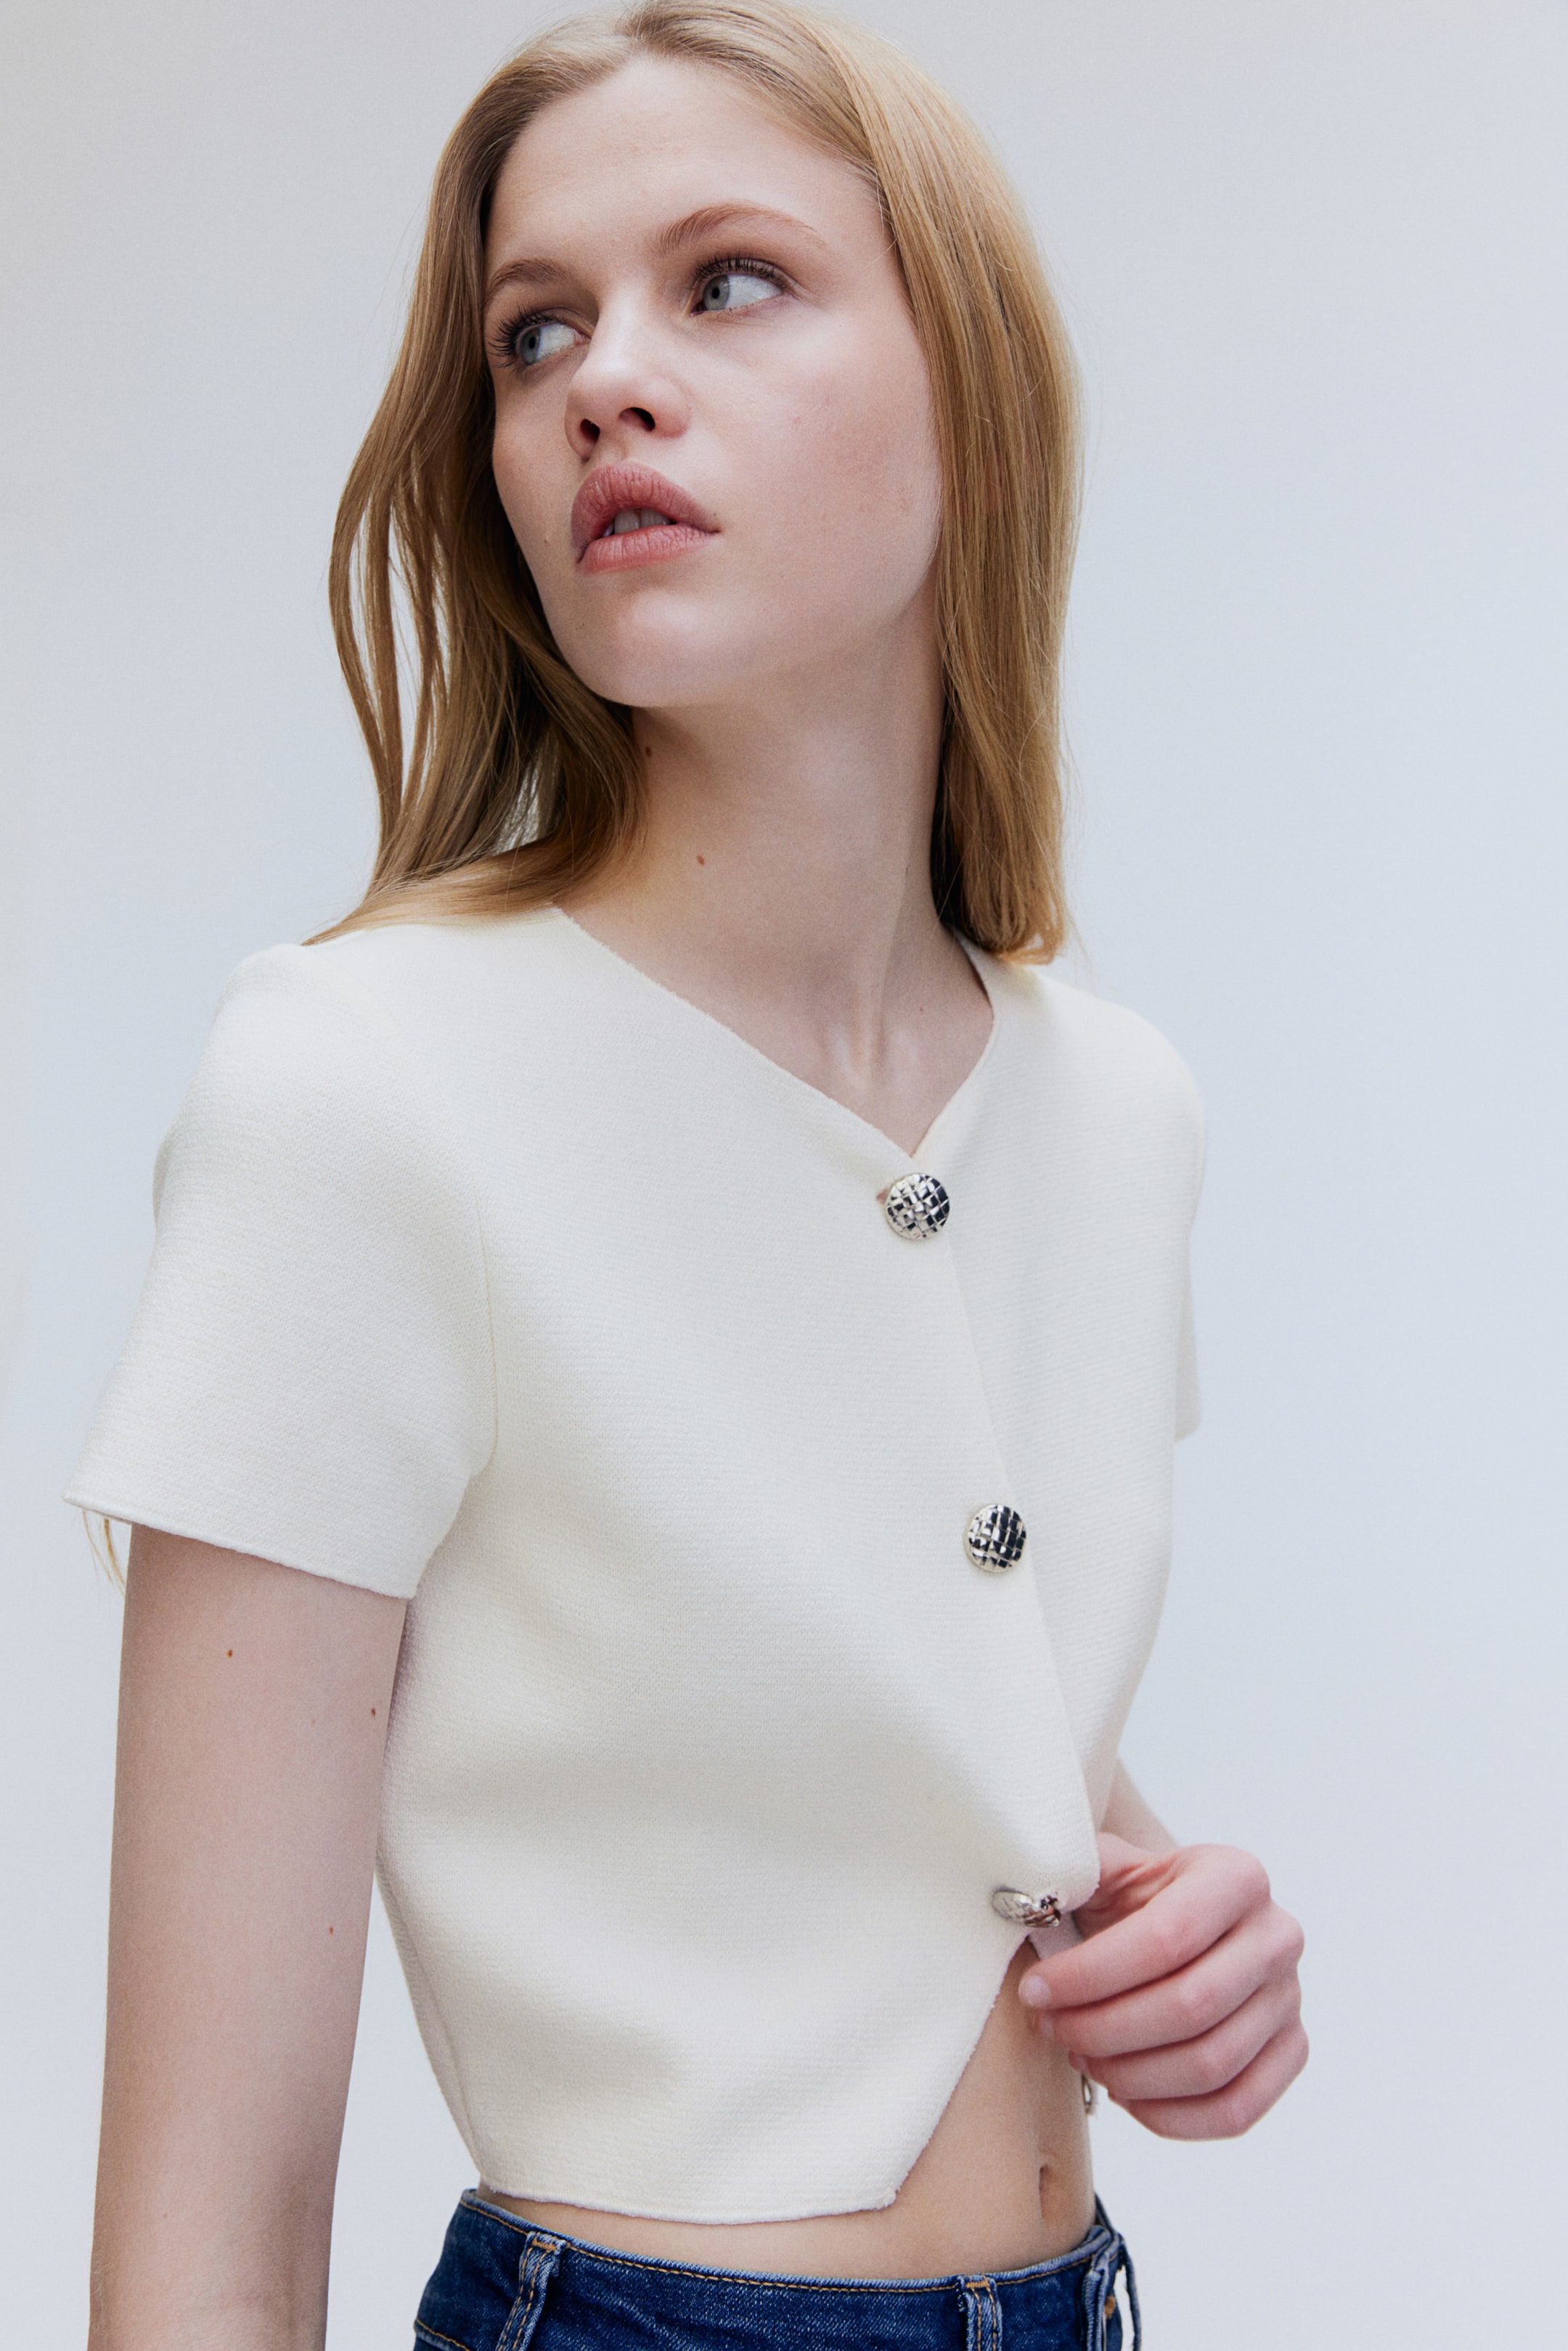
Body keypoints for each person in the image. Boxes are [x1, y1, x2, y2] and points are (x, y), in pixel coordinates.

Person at [68, 5, 1307, 2344]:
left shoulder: (1118, 1110)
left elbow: (905, 1706)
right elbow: (210, 2196)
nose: (604, 385)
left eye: (729, 281)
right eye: (536, 332)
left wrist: (1173, 1920)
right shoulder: (362, 1084)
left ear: (974, 388)